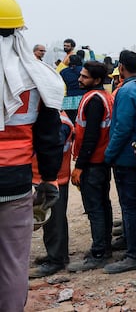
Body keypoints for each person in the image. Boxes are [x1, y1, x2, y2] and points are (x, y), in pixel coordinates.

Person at [0, 0, 64, 310]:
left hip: (16, 181)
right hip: (16, 184)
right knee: (12, 264)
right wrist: (49, 178)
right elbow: (50, 138)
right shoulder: (37, 78)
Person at [102, 50, 136, 275]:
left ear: (121, 68)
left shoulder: (127, 90)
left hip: (125, 156)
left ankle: (133, 254)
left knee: (129, 206)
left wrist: (108, 155)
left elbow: (121, 128)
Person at [67, 60, 115, 273]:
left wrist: (79, 166)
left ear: (96, 79)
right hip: (101, 161)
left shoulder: (94, 100)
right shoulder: (104, 97)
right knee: (103, 205)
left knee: (95, 208)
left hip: (93, 163)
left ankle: (99, 253)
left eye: (85, 76)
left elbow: (91, 136)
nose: (79, 79)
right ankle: (104, 247)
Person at [29, 111, 74, 278]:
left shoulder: (59, 122)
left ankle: (57, 259)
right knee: (50, 219)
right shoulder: (51, 117)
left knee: (55, 220)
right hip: (45, 178)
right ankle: (55, 254)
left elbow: (52, 145)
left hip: (55, 179)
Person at [60, 54, 84, 122]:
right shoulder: (84, 70)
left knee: (69, 120)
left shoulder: (63, 72)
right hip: (82, 97)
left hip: (68, 99)